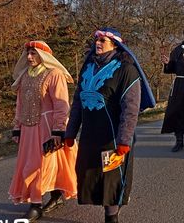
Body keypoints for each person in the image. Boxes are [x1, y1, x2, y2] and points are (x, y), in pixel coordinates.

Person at [65, 28, 155, 223]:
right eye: (96, 39)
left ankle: (112, 216)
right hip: (90, 135)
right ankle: (110, 209)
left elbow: (130, 109)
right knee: (89, 174)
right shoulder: (88, 66)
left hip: (113, 136)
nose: (97, 43)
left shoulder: (126, 70)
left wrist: (124, 140)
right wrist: (70, 132)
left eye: (103, 40)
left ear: (115, 44)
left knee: (111, 178)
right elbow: (78, 102)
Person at [9, 41, 77, 222]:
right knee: (31, 165)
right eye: (28, 54)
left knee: (44, 165)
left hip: (47, 127)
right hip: (28, 127)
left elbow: (61, 104)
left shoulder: (54, 74)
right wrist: (17, 127)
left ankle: (37, 204)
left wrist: (58, 130)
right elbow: (20, 104)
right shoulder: (24, 76)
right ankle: (50, 198)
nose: (29, 57)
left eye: (34, 53)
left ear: (44, 55)